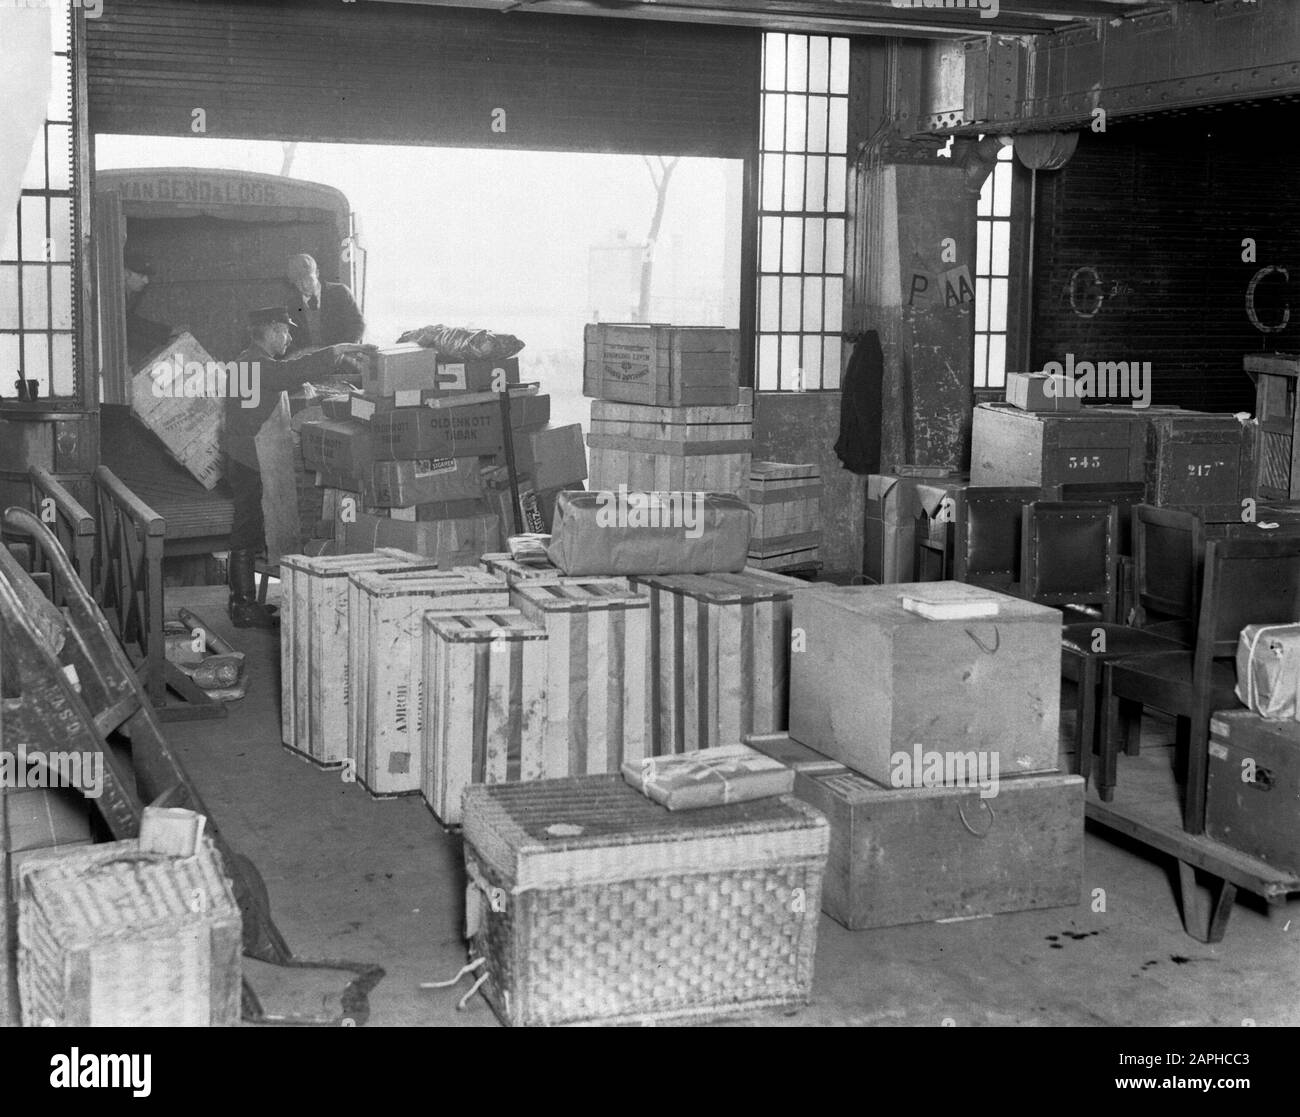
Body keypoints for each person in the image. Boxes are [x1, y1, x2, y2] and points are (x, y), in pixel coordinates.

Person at [225, 306, 373, 628]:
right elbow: (289, 373)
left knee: (247, 527)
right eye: (286, 331)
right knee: (247, 528)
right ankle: (242, 606)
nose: (289, 338)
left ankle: (243, 602)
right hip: (251, 457)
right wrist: (338, 351)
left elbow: (268, 389)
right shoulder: (256, 364)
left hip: (242, 455)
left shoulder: (244, 362)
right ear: (273, 330)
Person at [282, 253, 365, 355]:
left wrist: (343, 349)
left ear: (317, 273)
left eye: (308, 279)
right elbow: (291, 337)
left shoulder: (340, 292)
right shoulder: (292, 304)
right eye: (298, 282)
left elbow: (358, 325)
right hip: (309, 361)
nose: (304, 285)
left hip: (341, 357)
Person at [123, 248, 185, 368]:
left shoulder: (127, 294)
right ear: (126, 273)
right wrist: (167, 332)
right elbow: (130, 321)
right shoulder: (116, 295)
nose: (146, 281)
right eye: (141, 275)